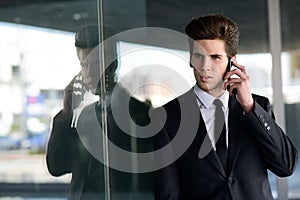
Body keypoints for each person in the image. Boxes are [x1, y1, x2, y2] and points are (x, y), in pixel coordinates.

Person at [154, 14, 298, 200]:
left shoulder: (257, 107)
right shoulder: (167, 117)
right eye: (199, 56)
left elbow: (285, 166)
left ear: (232, 60)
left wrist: (249, 106)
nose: (205, 67)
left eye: (215, 57)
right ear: (190, 59)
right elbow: (168, 193)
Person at [46, 25, 154, 200]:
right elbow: (57, 166)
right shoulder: (86, 116)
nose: (88, 72)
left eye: (94, 64)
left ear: (112, 64)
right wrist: (67, 112)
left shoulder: (139, 113)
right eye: (83, 65)